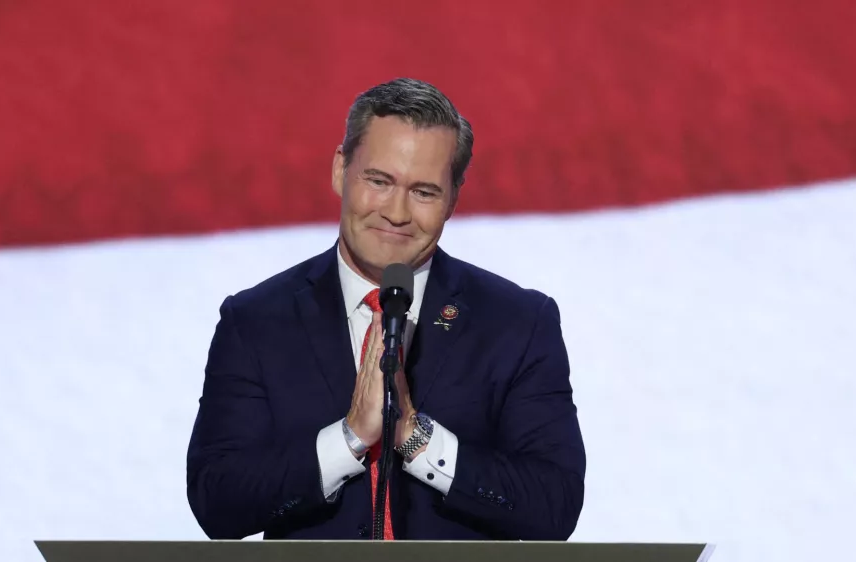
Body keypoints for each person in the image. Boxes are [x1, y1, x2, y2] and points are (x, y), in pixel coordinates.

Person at [186, 77, 586, 540]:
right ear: (340, 170)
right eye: (379, 181)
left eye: (424, 192)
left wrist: (416, 439)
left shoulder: (517, 323)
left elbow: (555, 506)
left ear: (453, 197)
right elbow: (217, 502)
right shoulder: (256, 322)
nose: (396, 212)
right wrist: (351, 437)